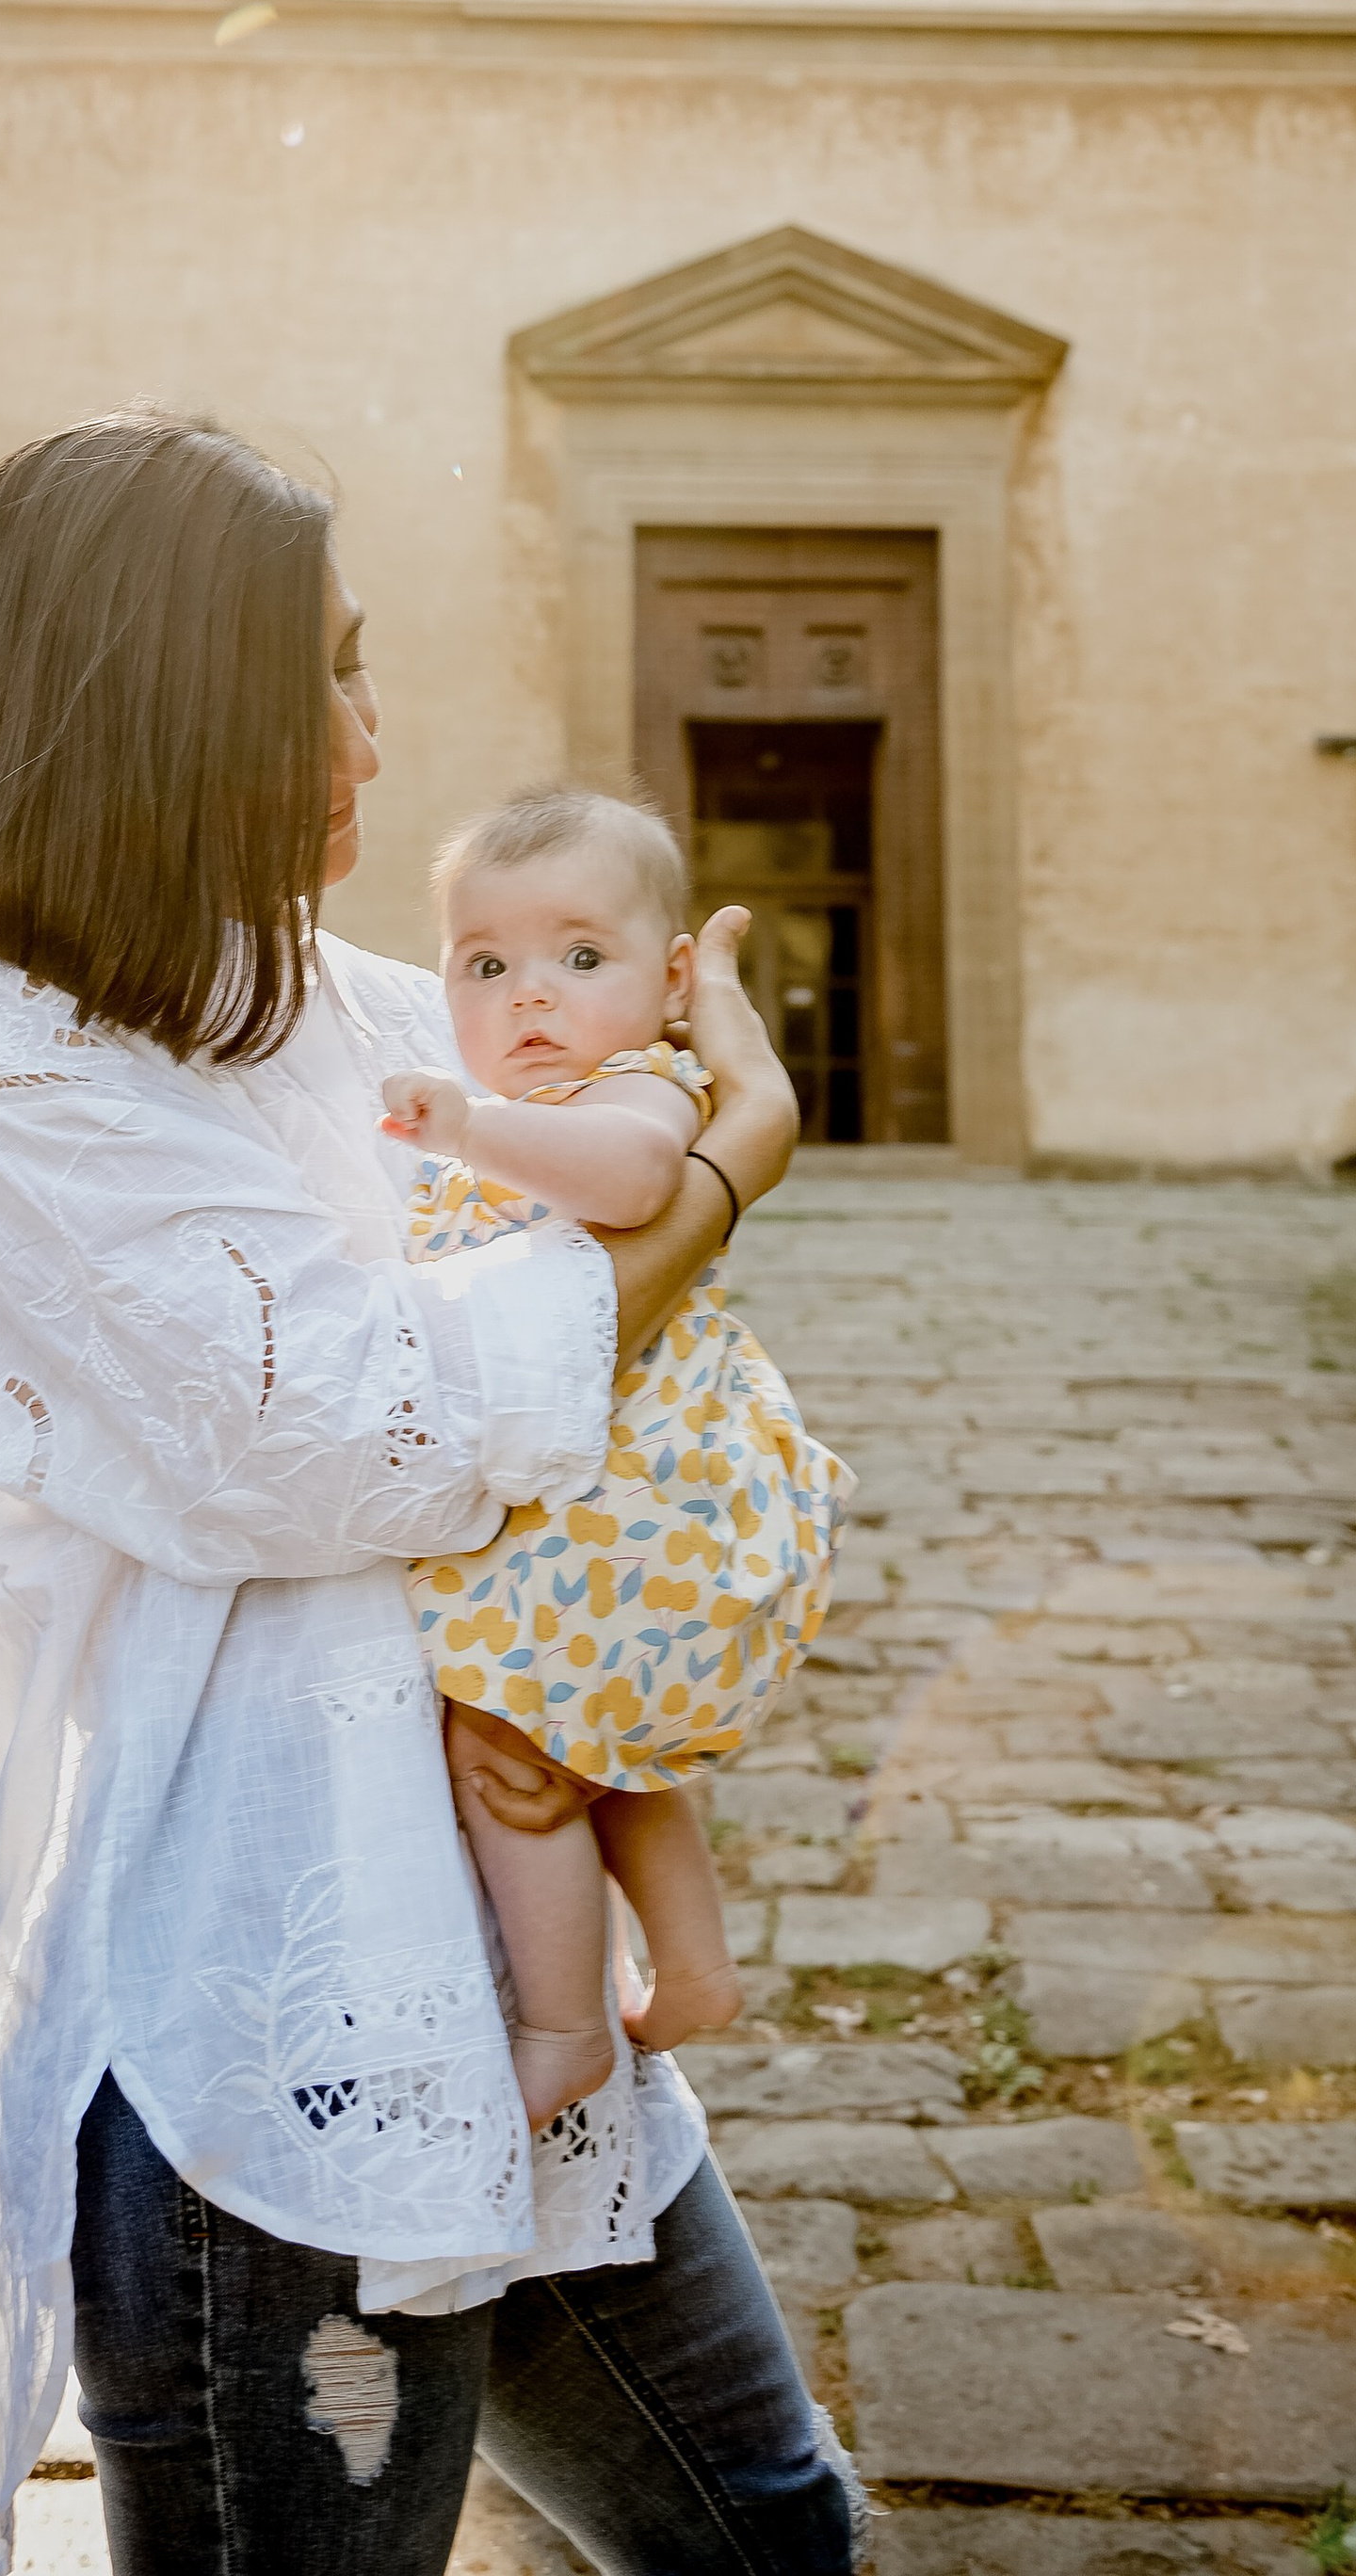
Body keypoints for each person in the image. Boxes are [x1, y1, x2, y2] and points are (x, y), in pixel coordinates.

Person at [0, 411, 864, 2576]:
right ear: (166, 715)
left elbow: (606, 1162)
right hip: (275, 2012)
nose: (368, 733)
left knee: (770, 2536)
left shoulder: (370, 1005)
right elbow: (347, 1438)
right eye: (317, 677)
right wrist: (728, 1169)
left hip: (520, 1955)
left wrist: (678, 1113)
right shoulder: (20, 1054)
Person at [382, 786, 851, 2129]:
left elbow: (638, 1180)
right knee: (605, 1747)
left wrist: (467, 1128)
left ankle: (565, 2026)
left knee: (502, 1741)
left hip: (635, 1501)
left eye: (581, 957)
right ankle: (692, 1969)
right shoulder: (539, 1100)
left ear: (674, 982)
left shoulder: (633, 1087)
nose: (530, 995)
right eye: (486, 966)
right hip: (622, 1506)